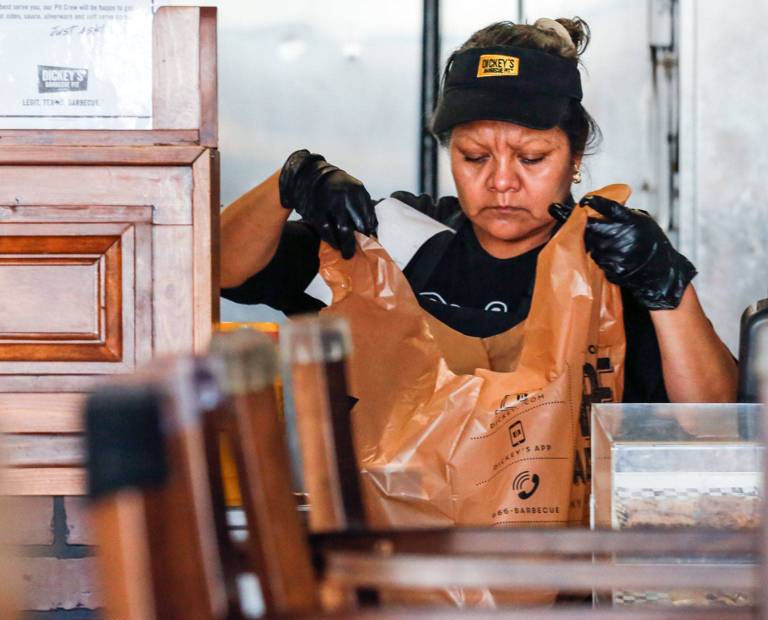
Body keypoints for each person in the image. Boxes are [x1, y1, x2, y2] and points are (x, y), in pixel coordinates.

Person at [220, 17, 737, 403]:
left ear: (575, 158)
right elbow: (220, 270)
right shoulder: (395, 241)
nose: (502, 181)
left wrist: (667, 284)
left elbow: (711, 423)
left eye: (531, 157)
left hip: (580, 542)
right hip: (403, 538)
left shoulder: (613, 261)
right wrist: (289, 184)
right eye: (474, 157)